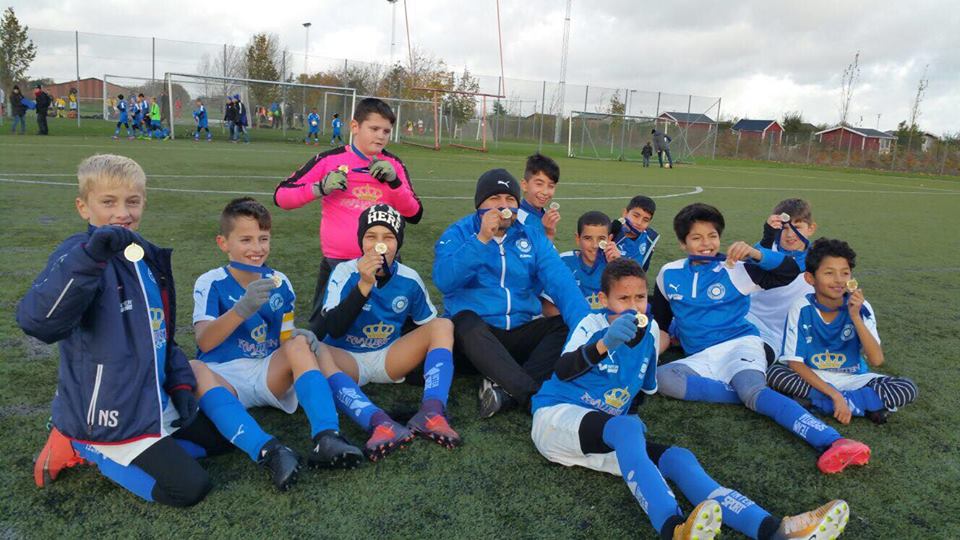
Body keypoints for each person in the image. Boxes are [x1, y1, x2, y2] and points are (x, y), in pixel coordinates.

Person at [531, 257, 852, 540]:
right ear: (604, 299)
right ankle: (673, 529)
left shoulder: (650, 331)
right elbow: (563, 370)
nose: (633, 306)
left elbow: (641, 390)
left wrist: (630, 420)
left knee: (678, 458)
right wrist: (604, 344)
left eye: (639, 297)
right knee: (627, 428)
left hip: (603, 433)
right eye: (623, 298)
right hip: (556, 418)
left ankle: (774, 530)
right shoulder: (593, 323)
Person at [18, 154, 233, 507]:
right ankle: (85, 446)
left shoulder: (144, 256)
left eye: (132, 201)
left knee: (223, 443)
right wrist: (90, 259)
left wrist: (180, 385)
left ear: (144, 202)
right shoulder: (78, 255)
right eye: (108, 202)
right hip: (111, 412)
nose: (123, 212)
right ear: (83, 207)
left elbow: (160, 336)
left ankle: (150, 442)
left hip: (153, 400)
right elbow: (37, 322)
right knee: (190, 489)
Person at [652, 203, 871, 474]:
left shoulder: (735, 269)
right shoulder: (668, 274)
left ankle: (833, 441)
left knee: (751, 391)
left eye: (712, 236)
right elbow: (662, 327)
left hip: (740, 345)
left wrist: (755, 253)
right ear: (682, 243)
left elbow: (787, 271)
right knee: (662, 379)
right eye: (697, 238)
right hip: (700, 356)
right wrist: (646, 358)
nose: (706, 244)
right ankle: (776, 396)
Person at [191, 197, 364, 490]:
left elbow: (284, 336)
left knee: (299, 345)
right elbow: (205, 342)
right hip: (224, 377)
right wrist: (240, 310)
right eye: (246, 239)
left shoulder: (280, 281)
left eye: (263, 239)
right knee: (194, 368)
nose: (257, 248)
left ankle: (327, 437)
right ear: (223, 243)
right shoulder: (211, 281)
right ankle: (269, 451)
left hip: (267, 372)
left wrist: (299, 335)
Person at [433, 168, 590, 418]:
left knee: (562, 325)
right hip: (473, 340)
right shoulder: (458, 233)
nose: (503, 206)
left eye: (510, 199)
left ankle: (504, 390)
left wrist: (589, 329)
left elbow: (561, 282)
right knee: (463, 320)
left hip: (516, 334)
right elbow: (444, 280)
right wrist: (481, 239)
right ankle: (530, 397)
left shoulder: (531, 235)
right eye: (494, 198)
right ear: (479, 204)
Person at [315, 204, 461, 459]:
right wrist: (364, 285)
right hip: (347, 361)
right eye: (371, 236)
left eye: (388, 237)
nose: (379, 245)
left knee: (442, 325)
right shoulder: (344, 272)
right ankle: (378, 422)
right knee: (313, 349)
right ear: (361, 241)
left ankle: (432, 411)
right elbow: (334, 328)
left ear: (398, 243)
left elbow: (426, 326)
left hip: (388, 357)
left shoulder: (409, 278)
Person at [274, 98, 424, 331]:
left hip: (384, 264)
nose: (381, 136)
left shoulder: (393, 164)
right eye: (374, 129)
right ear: (355, 126)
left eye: (386, 131)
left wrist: (394, 182)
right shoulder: (329, 160)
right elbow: (281, 196)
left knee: (389, 330)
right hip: (338, 263)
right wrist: (320, 188)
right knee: (322, 333)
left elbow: (414, 214)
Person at [767, 238, 918, 425]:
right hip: (813, 376)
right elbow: (795, 363)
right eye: (829, 273)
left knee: (906, 388)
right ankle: (864, 406)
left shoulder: (861, 308)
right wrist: (835, 395)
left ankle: (818, 404)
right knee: (775, 373)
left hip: (854, 378)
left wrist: (855, 317)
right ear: (810, 278)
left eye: (845, 273)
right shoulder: (801, 308)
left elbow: (877, 360)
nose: (839, 280)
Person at [746, 199, 817, 357]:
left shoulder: (819, 259)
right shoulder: (764, 248)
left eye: (797, 227)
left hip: (778, 336)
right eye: (784, 228)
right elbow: (753, 263)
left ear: (811, 228)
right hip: (748, 319)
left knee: (751, 358)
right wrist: (767, 237)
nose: (790, 234)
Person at [546, 211, 621, 314]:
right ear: (578, 239)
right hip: (571, 322)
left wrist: (618, 266)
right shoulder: (563, 262)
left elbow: (629, 303)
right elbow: (547, 305)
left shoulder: (618, 264)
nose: (595, 245)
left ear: (610, 239)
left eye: (601, 239)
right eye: (588, 238)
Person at [518, 152, 561, 241]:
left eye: (551, 186)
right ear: (524, 185)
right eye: (539, 184)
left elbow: (549, 249)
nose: (545, 192)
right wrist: (548, 232)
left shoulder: (545, 214)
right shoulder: (517, 218)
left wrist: (549, 232)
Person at [610, 195, 660, 272]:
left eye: (645, 220)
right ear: (625, 213)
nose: (639, 223)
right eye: (636, 216)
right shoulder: (608, 230)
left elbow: (642, 270)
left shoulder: (650, 239)